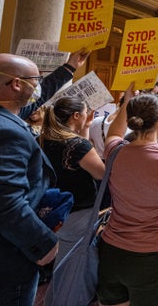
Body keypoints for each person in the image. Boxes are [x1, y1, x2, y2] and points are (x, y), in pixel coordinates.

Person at [0, 54, 58, 304]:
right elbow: (7, 207)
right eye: (35, 80)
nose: (38, 85)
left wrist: (70, 68)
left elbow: (26, 105)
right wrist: (44, 244)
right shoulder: (4, 133)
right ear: (16, 84)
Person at [97, 85, 158, 306]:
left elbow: (113, 132)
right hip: (156, 254)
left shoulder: (115, 151)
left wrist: (127, 100)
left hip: (114, 250)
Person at [40, 96, 104, 266]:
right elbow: (100, 173)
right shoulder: (78, 145)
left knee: (57, 261)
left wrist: (86, 128)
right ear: (76, 116)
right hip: (77, 211)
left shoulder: (43, 139)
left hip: (49, 209)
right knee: (72, 263)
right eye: (85, 113)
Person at [18, 48, 91, 120]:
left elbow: (43, 93)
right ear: (16, 84)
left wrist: (71, 66)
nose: (36, 85)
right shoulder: (11, 116)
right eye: (35, 79)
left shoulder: (15, 112)